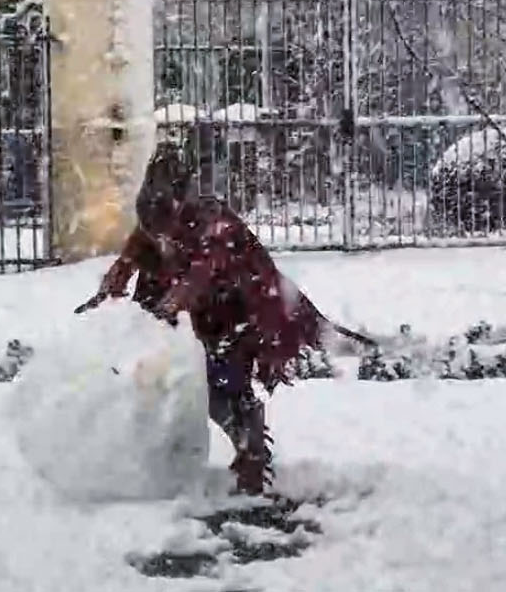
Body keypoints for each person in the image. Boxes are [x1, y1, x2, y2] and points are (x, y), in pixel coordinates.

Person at [78, 145, 371, 495]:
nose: (161, 238)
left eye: (164, 231)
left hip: (243, 311)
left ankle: (252, 455)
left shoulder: (215, 225)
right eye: (153, 231)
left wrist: (167, 308)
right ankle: (204, 449)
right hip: (204, 315)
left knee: (222, 383)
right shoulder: (156, 220)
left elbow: (198, 278)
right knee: (183, 382)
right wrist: (105, 294)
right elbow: (127, 261)